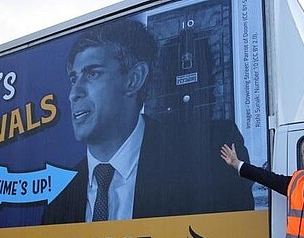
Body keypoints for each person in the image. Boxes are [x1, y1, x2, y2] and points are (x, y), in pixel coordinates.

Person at [42, 19, 254, 224]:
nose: (74, 94)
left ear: (134, 79)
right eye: (73, 79)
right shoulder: (58, 207)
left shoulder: (211, 154)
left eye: (92, 73)